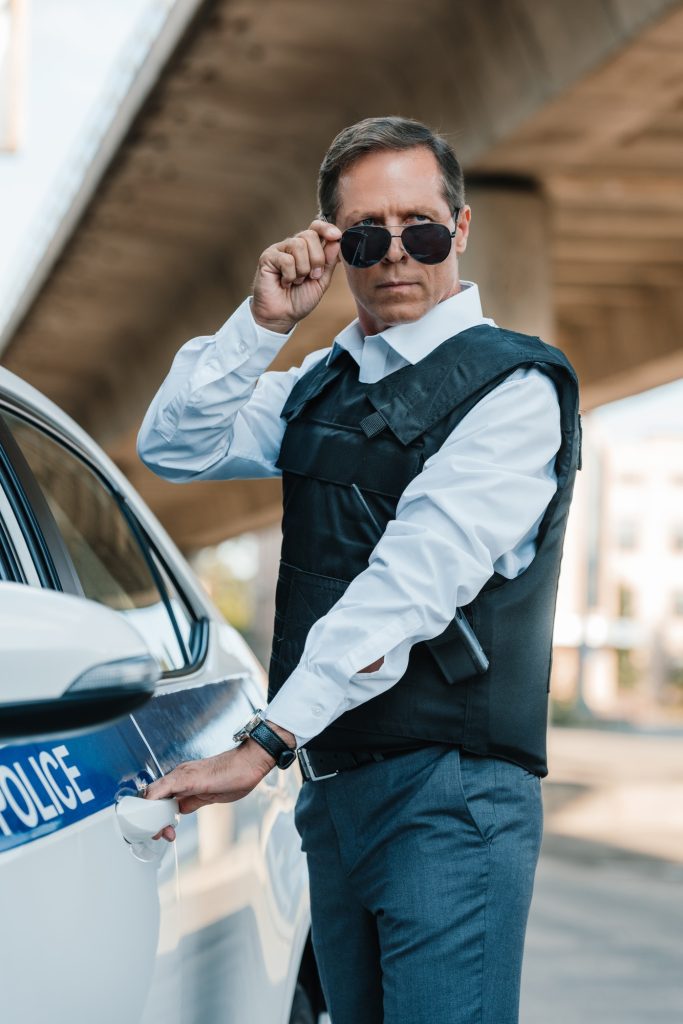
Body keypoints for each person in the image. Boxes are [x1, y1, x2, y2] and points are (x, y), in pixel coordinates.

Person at [138, 116, 582, 1024]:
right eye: (366, 235)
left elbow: (408, 586)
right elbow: (174, 445)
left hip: (448, 798)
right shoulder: (319, 382)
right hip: (336, 793)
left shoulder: (515, 389)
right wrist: (260, 322)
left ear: (459, 229)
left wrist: (264, 744)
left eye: (420, 228)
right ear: (332, 244)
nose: (396, 255)